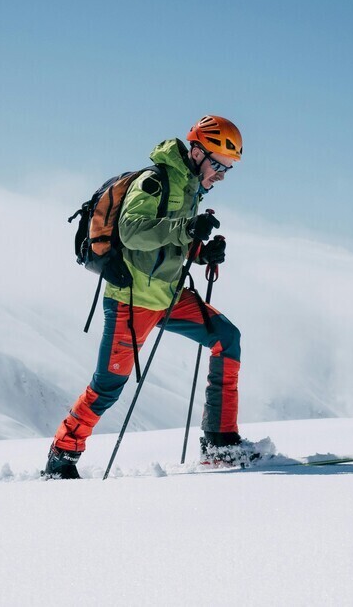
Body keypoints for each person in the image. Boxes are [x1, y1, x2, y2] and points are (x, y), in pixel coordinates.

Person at [44, 115, 257, 479]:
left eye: (228, 169)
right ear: (196, 152)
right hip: (132, 300)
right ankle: (62, 454)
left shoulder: (191, 188)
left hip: (169, 297)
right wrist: (185, 228)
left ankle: (220, 443)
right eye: (219, 165)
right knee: (108, 385)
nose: (222, 174)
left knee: (227, 338)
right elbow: (132, 233)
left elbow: (169, 247)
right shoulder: (155, 182)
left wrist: (203, 253)